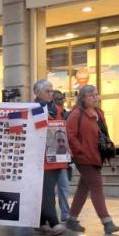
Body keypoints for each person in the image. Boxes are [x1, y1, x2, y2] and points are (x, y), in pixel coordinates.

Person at [65, 85, 119, 234]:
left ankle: (71, 219)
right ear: (82, 98)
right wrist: (80, 151)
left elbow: (104, 135)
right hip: (84, 157)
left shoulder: (99, 113)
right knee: (96, 186)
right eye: (91, 95)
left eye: (96, 95)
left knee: (84, 188)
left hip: (97, 156)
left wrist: (109, 155)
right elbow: (70, 135)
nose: (95, 97)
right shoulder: (76, 114)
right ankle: (107, 222)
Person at [33, 79, 66, 236]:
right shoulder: (34, 109)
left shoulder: (57, 109)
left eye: (52, 91)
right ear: (37, 93)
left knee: (47, 190)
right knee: (47, 191)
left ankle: (40, 221)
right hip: (42, 158)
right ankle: (54, 222)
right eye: (47, 91)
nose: (51, 94)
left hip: (58, 155)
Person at [53, 90, 71, 222]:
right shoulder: (50, 112)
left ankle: (65, 214)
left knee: (63, 186)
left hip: (63, 156)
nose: (60, 101)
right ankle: (53, 215)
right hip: (52, 156)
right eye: (57, 99)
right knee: (59, 187)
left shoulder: (66, 114)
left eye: (61, 98)